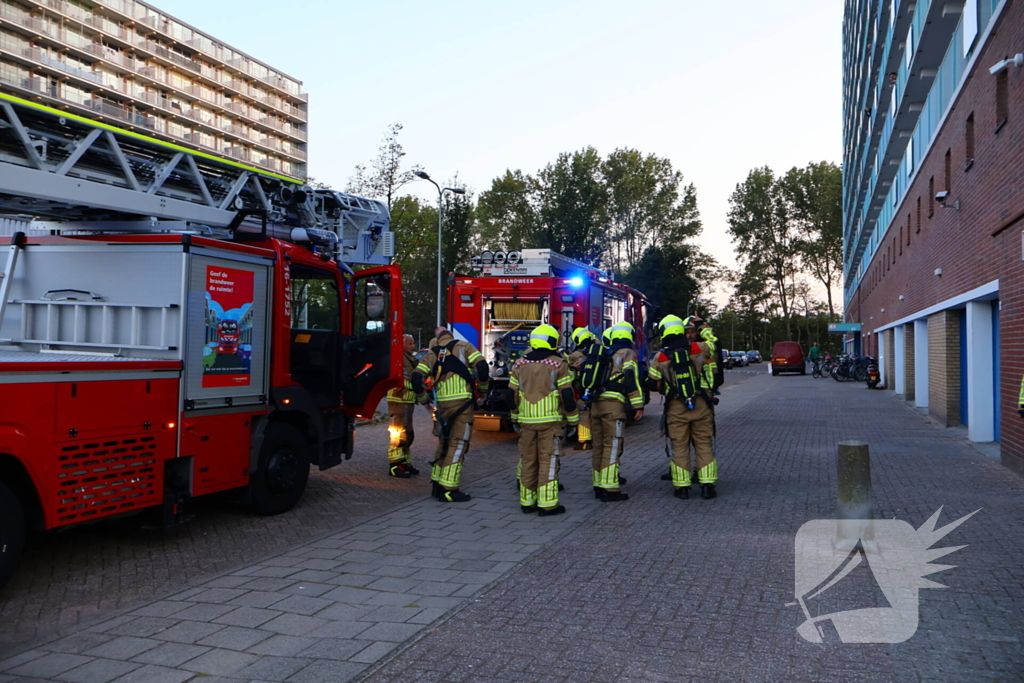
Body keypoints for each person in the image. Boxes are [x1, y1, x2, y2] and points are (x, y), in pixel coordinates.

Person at [412, 327, 489, 502]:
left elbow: (417, 377)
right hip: (463, 404)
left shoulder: (432, 353)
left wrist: (425, 401)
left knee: (444, 441)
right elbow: (482, 366)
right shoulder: (465, 346)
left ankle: (437, 484)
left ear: (437, 339)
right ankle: (449, 488)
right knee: (459, 443)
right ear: (450, 335)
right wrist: (483, 390)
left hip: (442, 406)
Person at [510, 324, 579, 516]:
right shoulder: (559, 364)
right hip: (550, 423)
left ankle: (527, 502)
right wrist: (573, 420)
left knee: (528, 461)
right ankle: (548, 505)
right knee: (548, 461)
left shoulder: (519, 364)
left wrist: (515, 416)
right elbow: (567, 395)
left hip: (526, 421)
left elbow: (511, 394)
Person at [648, 315, 718, 499]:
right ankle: (708, 485)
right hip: (701, 404)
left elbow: (652, 383)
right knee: (703, 443)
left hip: (676, 407)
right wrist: (703, 329)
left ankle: (682, 487)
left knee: (679, 445)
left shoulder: (660, 356)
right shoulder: (699, 348)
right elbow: (713, 345)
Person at [589, 323, 643, 502]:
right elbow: (630, 377)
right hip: (613, 407)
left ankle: (598, 484)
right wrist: (637, 404)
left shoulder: (605, 352)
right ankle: (610, 489)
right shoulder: (628, 353)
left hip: (596, 405)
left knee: (598, 446)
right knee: (612, 447)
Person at [386, 334, 422, 478]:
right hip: (398, 401)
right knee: (397, 435)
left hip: (407, 401)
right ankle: (395, 465)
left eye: (413, 343)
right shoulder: (397, 359)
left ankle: (405, 462)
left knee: (408, 435)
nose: (413, 346)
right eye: (410, 344)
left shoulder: (410, 359)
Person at [568, 327, 599, 451]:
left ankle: (584, 441)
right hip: (599, 387)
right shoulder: (599, 350)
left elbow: (568, 372)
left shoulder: (575, 355)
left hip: (583, 387)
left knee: (584, 413)